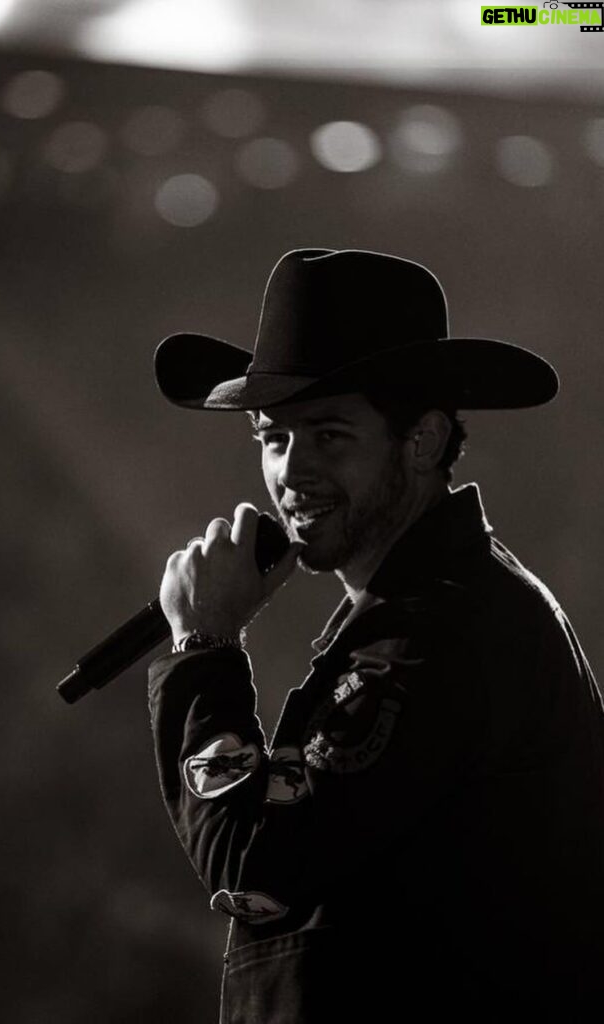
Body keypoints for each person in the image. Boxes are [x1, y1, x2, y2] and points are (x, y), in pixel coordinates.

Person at [148, 249, 604, 1023]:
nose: (291, 472)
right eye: (272, 438)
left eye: (328, 436)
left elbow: (256, 871)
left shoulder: (441, 628)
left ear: (421, 442)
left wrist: (203, 651)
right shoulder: (426, 609)